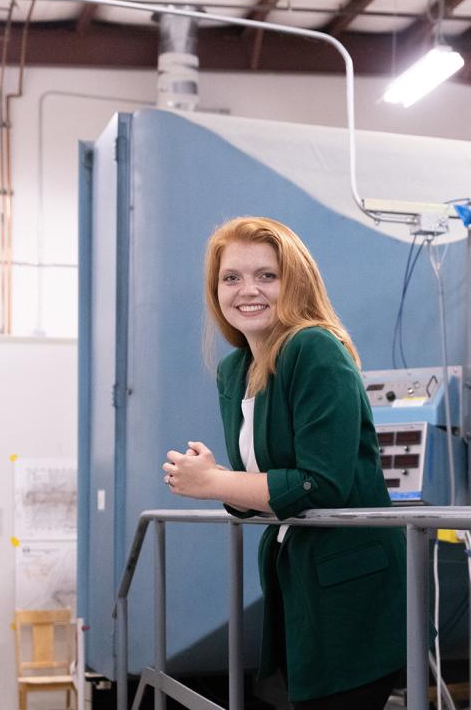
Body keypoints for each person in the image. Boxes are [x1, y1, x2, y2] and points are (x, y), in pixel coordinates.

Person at [162, 216, 405, 709]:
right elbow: (259, 494)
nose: (247, 290)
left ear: (294, 281)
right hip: (295, 585)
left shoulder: (314, 348)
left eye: (266, 276)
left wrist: (215, 483)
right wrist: (221, 481)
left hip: (351, 595)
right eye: (231, 278)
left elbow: (320, 485)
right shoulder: (236, 369)